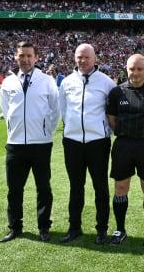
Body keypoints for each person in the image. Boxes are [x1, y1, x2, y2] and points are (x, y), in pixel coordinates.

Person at [105, 54, 144, 247]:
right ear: (127, 69)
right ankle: (120, 229)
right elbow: (111, 118)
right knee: (121, 188)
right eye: (132, 69)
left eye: (140, 69)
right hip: (123, 145)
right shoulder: (117, 92)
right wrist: (126, 133)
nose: (136, 73)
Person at [0, 41, 59, 242]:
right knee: (14, 189)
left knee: (43, 188)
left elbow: (55, 110)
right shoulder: (8, 82)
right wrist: (14, 130)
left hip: (41, 144)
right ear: (15, 57)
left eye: (29, 56)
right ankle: (15, 227)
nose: (25, 59)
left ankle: (44, 228)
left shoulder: (46, 80)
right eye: (21, 56)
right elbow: (6, 109)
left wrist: (45, 131)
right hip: (15, 144)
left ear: (36, 58)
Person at [58, 43, 116, 244]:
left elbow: (111, 112)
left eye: (86, 57)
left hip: (98, 143)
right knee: (76, 187)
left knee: (100, 187)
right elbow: (63, 110)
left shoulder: (107, 82)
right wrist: (71, 130)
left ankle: (102, 229)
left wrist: (102, 130)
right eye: (79, 57)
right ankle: (74, 227)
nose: (82, 61)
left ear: (95, 59)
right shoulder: (66, 82)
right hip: (72, 142)